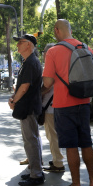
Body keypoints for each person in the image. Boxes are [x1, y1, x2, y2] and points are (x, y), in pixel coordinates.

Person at [42, 19, 93, 186]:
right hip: (84, 102)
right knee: (86, 142)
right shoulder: (87, 48)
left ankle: (76, 184)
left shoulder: (53, 51)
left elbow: (47, 83)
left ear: (56, 30)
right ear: (70, 30)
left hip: (63, 104)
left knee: (71, 145)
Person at [9, 34, 44, 186]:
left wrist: (13, 101)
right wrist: (14, 98)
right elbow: (21, 86)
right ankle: (35, 171)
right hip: (30, 106)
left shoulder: (30, 62)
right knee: (33, 139)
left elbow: (24, 87)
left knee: (31, 141)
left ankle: (36, 174)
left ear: (28, 45)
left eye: (20, 43)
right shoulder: (29, 61)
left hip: (29, 107)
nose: (17, 46)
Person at [42, 43, 65, 173]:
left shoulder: (51, 66)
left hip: (50, 108)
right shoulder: (60, 65)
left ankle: (58, 163)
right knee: (53, 135)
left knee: (52, 136)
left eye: (45, 52)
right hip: (57, 105)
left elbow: (47, 86)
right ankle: (57, 159)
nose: (44, 54)